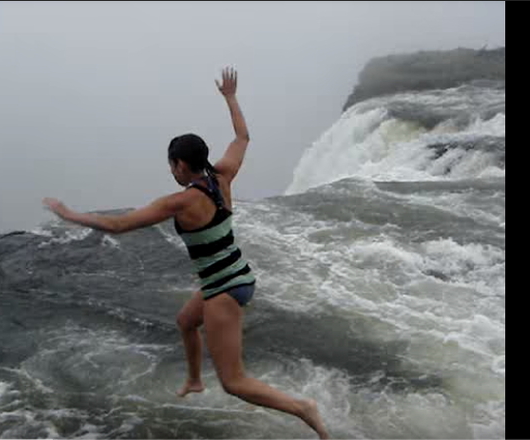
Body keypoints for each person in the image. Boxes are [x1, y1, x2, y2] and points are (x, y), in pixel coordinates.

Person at [43, 67, 330, 439]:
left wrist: (68, 214)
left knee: (234, 381)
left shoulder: (181, 202)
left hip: (224, 289)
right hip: (236, 273)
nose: (171, 171)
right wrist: (230, 97)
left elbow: (118, 225)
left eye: (171, 164)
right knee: (185, 320)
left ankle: (302, 409)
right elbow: (242, 136)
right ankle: (194, 380)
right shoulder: (222, 176)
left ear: (179, 164)